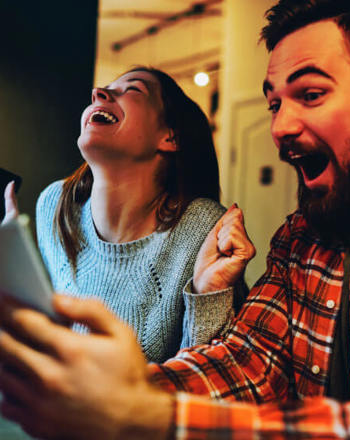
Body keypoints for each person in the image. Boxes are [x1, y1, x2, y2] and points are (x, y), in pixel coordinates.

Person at [0, 0, 350, 438]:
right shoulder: (299, 239)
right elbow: (249, 362)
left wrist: (145, 414)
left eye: (310, 95)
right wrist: (112, 393)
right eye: (274, 105)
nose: (281, 127)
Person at [1, 66, 247, 364]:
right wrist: (11, 264)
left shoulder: (202, 229)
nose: (98, 93)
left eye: (132, 89)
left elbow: (208, 379)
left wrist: (209, 296)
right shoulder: (55, 205)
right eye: (104, 89)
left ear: (170, 137)